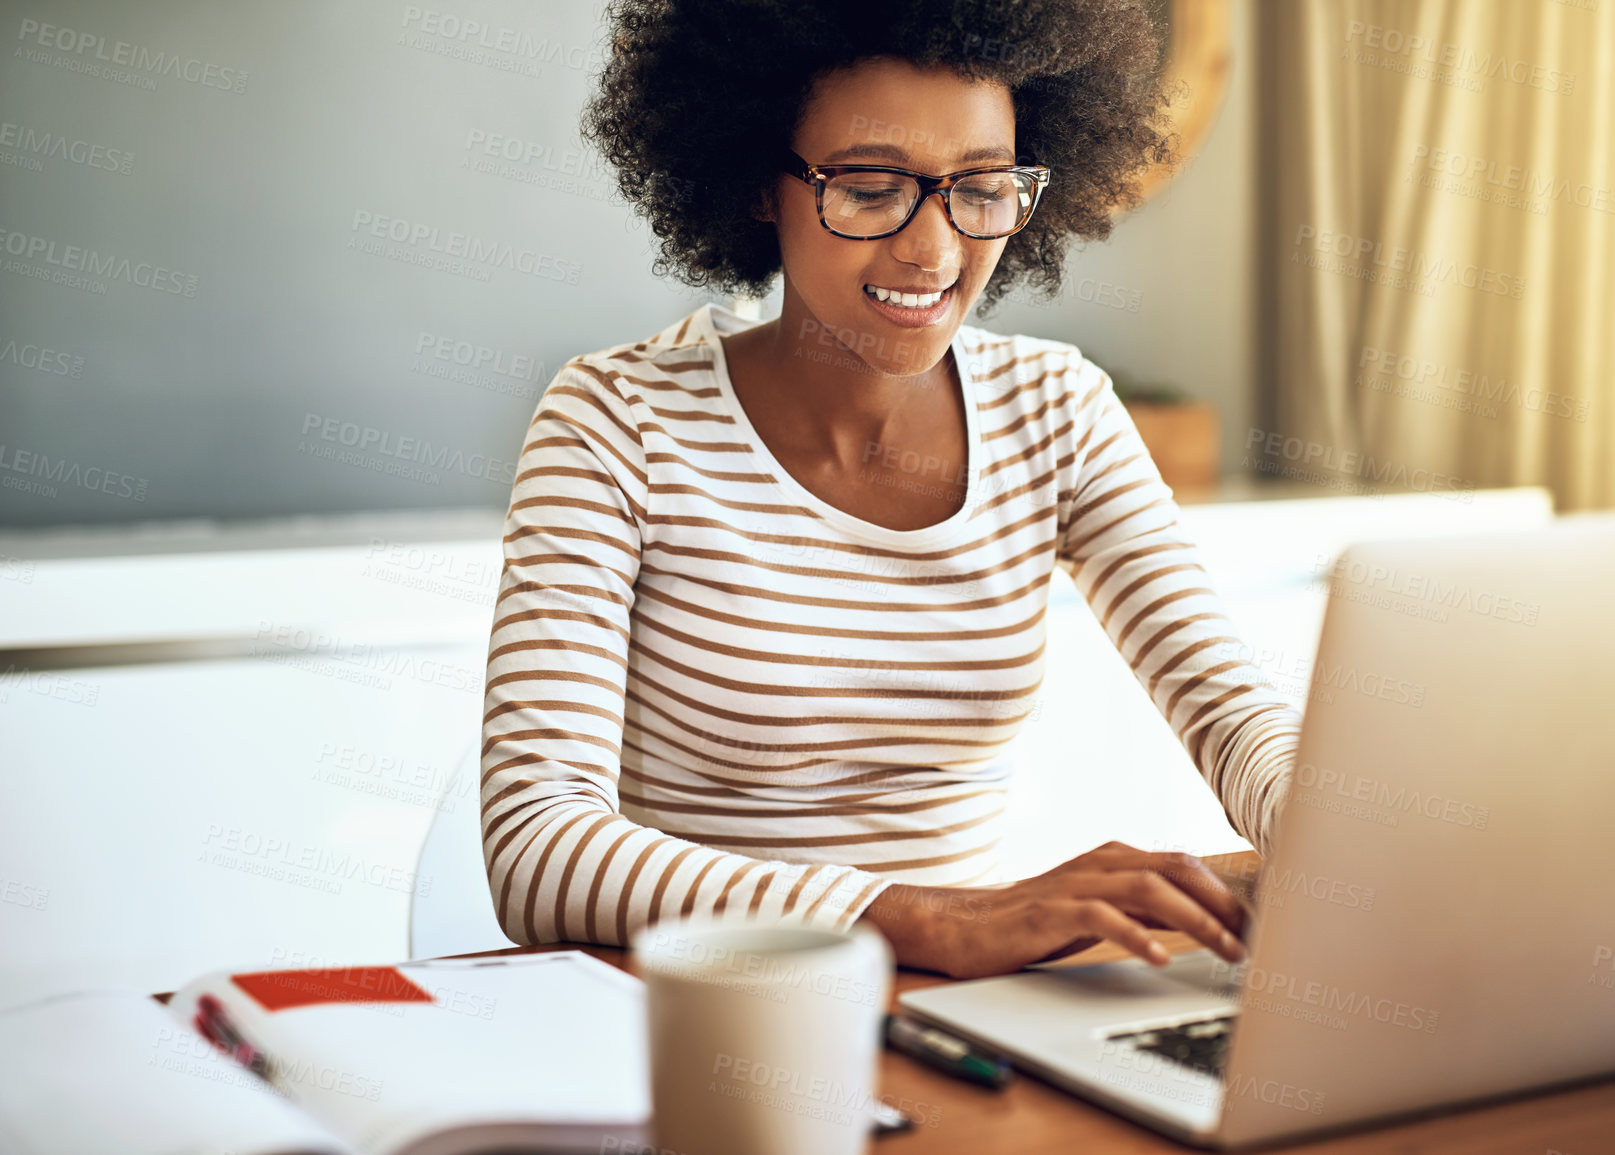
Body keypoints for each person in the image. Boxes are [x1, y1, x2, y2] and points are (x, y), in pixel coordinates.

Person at [481, 0, 1300, 980]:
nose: (935, 251)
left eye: (982, 188)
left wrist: (1348, 846)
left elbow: (1235, 710)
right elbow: (536, 849)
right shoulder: (617, 421)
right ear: (757, 183)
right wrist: (926, 919)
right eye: (871, 189)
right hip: (714, 1023)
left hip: (965, 1023)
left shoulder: (1056, 410)